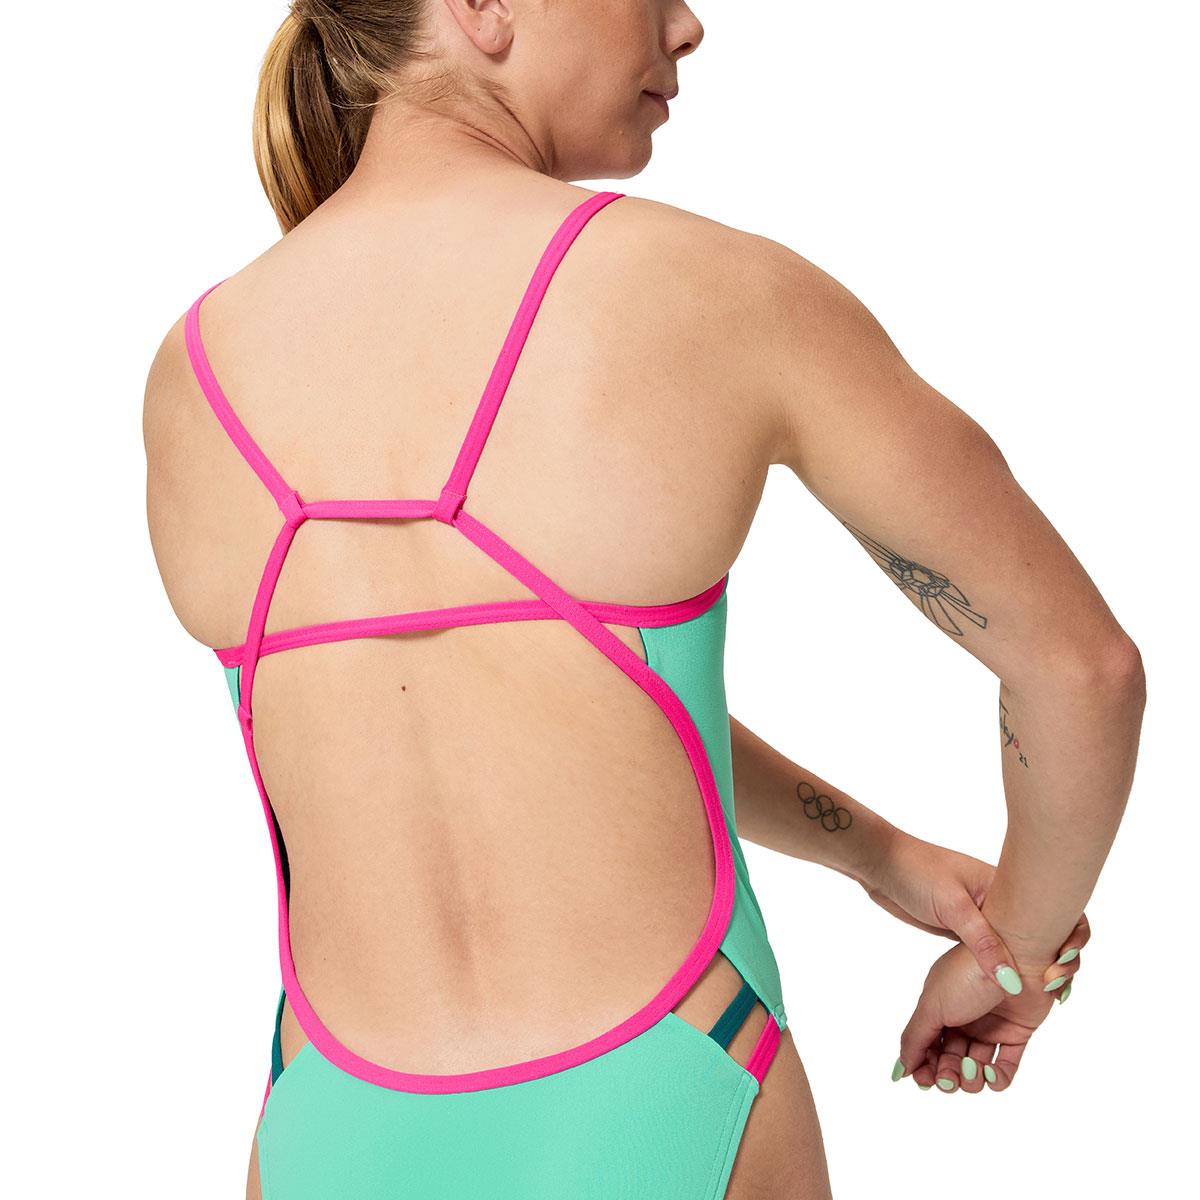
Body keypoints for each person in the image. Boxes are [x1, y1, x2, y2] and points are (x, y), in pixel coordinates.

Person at [142, 3, 1144, 1197]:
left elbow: (560, 703)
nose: (687, 24)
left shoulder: (193, 368)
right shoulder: (711, 289)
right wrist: (1015, 953)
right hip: (671, 1080)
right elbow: (1082, 670)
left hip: (331, 1119)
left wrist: (877, 854)